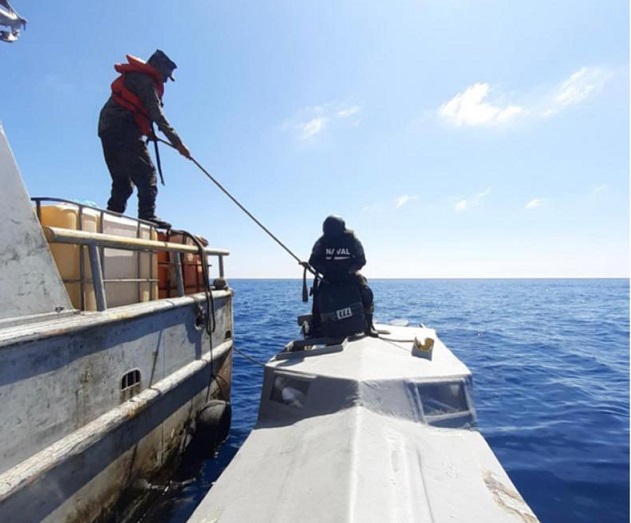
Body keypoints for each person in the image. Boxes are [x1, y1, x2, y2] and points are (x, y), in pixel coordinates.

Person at [98, 49, 191, 229]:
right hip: (123, 128)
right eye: (166, 75)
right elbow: (157, 116)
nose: (165, 80)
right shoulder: (147, 82)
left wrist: (148, 132)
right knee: (147, 174)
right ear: (158, 69)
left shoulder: (136, 78)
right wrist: (179, 144)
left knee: (123, 184)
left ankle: (109, 222)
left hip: (107, 129)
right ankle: (147, 216)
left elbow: (136, 110)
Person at [307, 215, 377, 337]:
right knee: (318, 297)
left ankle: (369, 325)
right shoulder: (322, 242)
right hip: (328, 277)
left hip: (349, 276)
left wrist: (350, 271)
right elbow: (313, 260)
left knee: (366, 293)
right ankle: (316, 326)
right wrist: (325, 272)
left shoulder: (352, 240)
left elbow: (361, 260)